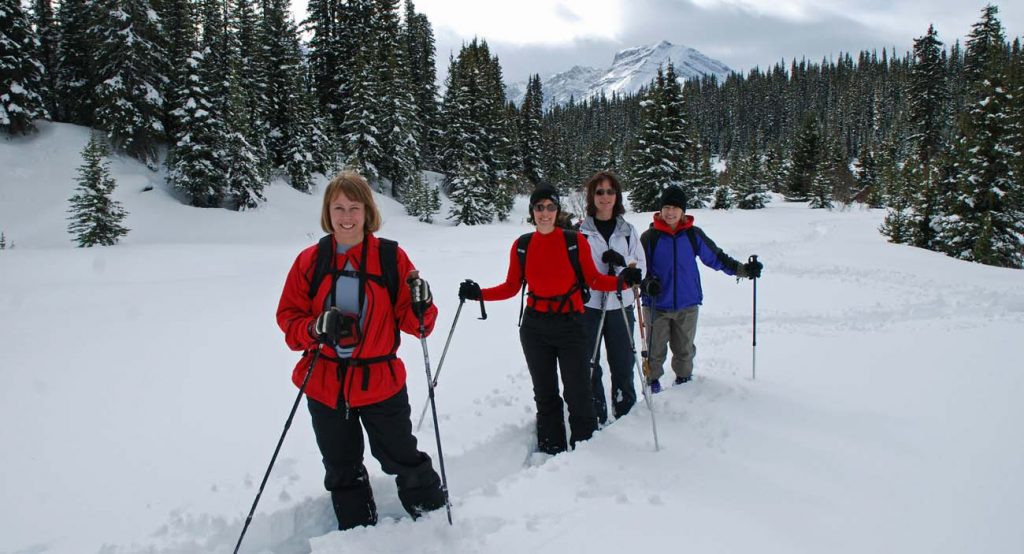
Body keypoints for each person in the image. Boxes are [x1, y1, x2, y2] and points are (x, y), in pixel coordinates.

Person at [275, 171, 446, 530]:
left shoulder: (390, 257)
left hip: (379, 381)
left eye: (354, 207)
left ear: (368, 212)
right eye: (338, 208)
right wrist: (314, 328)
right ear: (327, 212)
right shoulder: (311, 260)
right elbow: (289, 318)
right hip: (325, 382)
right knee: (340, 466)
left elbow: (416, 323)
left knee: (401, 456)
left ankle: (433, 523)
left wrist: (422, 304)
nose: (346, 216)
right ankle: (357, 534)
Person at [458, 186, 643, 455]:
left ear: (558, 211)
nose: (544, 213)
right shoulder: (523, 245)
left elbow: (593, 278)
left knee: (578, 392)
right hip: (535, 328)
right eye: (539, 207)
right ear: (532, 212)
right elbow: (511, 286)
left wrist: (622, 281)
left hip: (571, 325)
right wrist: (479, 294)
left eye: (550, 207)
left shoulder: (574, 241)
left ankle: (585, 448)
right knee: (545, 394)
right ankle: (550, 448)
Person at [640, 185, 763, 392]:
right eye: (666, 207)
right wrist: (647, 284)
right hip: (656, 305)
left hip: (687, 304)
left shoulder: (692, 235)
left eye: (675, 208)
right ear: (660, 210)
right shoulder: (649, 237)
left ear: (683, 211)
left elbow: (716, 258)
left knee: (684, 350)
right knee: (654, 350)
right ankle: (652, 383)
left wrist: (743, 270)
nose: (670, 212)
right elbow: (639, 269)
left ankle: (684, 382)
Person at [578, 171, 646, 425]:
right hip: (590, 306)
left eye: (610, 191)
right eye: (599, 192)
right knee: (590, 364)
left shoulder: (628, 231)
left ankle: (625, 413)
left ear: (617, 196)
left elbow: (640, 267)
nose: (605, 197)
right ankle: (596, 414)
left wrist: (623, 266)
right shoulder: (581, 232)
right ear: (592, 196)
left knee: (623, 362)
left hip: (620, 304)